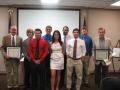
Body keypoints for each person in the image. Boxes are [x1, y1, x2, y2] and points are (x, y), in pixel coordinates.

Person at [1, 25, 22, 90]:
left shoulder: (20, 38)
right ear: (10, 30)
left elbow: (21, 49)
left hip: (16, 59)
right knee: (8, 72)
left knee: (16, 72)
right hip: (8, 58)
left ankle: (15, 84)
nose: (13, 31)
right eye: (12, 29)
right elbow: (2, 48)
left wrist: (20, 55)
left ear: (16, 31)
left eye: (15, 30)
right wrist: (5, 55)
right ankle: (9, 84)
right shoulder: (5, 37)